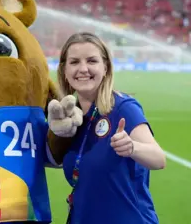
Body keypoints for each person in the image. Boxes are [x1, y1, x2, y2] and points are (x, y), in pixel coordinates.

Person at [57, 32, 166, 224]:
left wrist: (132, 147)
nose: (83, 69)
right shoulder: (70, 117)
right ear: (64, 71)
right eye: (74, 62)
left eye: (92, 61)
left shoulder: (124, 108)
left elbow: (158, 159)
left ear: (105, 67)